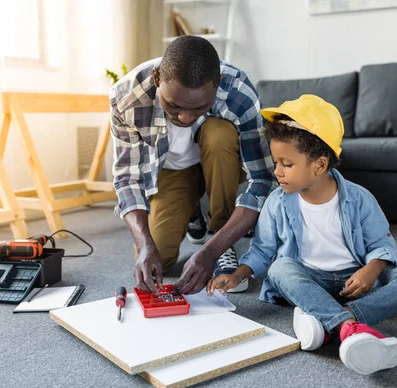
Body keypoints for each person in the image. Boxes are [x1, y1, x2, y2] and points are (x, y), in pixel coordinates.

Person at [207, 94, 397, 375]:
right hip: (308, 278)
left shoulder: (360, 199)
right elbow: (264, 250)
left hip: (355, 282)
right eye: (276, 163)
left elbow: (381, 244)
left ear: (320, 165)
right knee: (279, 268)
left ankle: (328, 322)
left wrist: (370, 272)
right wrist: (237, 275)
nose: (277, 172)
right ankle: (348, 327)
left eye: (286, 164)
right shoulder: (277, 202)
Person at [109, 35, 275, 295]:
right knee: (158, 257)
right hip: (172, 173)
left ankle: (220, 232)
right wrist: (144, 246)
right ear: (156, 80)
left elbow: (263, 179)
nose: (184, 117)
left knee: (219, 133)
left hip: (222, 162)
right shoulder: (126, 97)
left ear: (216, 86)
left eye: (199, 107)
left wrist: (212, 251)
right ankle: (192, 210)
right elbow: (127, 179)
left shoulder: (238, 92)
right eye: (173, 106)